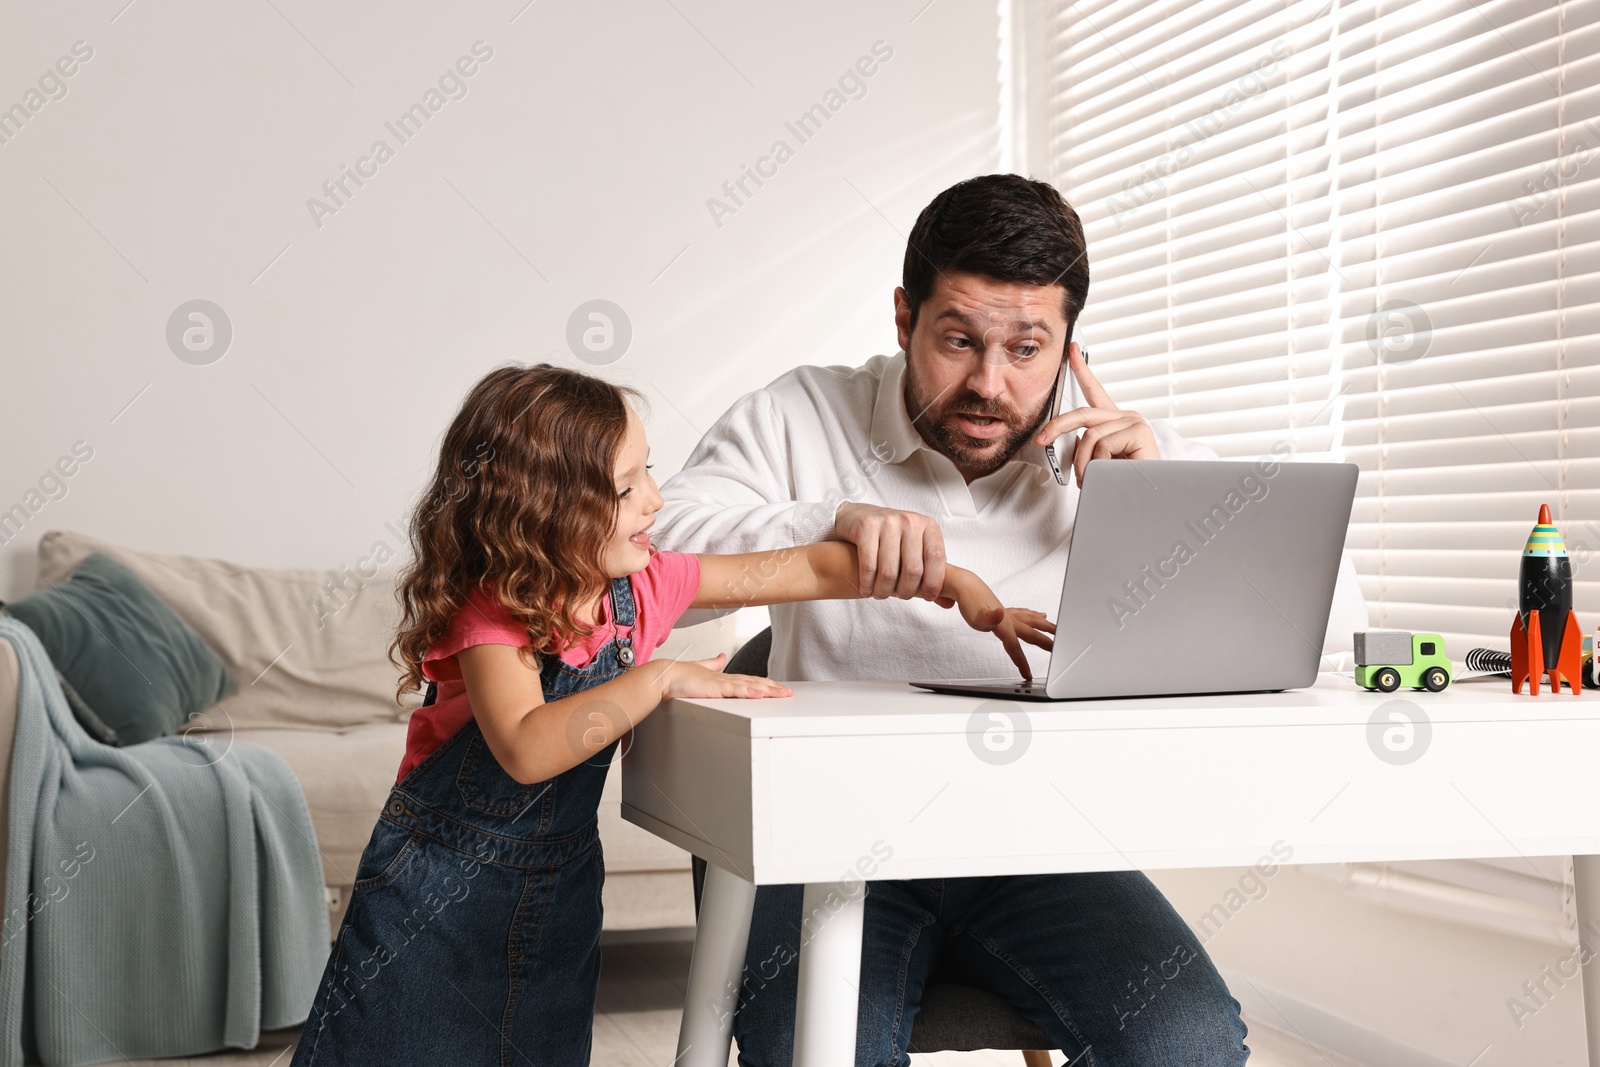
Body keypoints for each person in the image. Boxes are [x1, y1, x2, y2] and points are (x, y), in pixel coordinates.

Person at [656, 174, 1268, 1065]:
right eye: (957, 340)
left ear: (1069, 346)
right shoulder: (803, 414)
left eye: (1027, 349)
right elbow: (654, 559)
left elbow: (1332, 619)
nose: (990, 383)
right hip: (834, 840)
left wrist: (1168, 498)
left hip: (1036, 842)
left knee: (1191, 1042)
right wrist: (829, 521)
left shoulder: (1125, 456)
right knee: (814, 1048)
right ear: (903, 318)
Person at [288, 363, 1043, 1066]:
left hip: (557, 897)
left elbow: (810, 564)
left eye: (648, 468)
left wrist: (958, 582)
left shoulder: (642, 586)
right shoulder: (496, 609)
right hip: (432, 904)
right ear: (544, 510)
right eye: (625, 488)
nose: (654, 499)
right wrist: (655, 679)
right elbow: (525, 746)